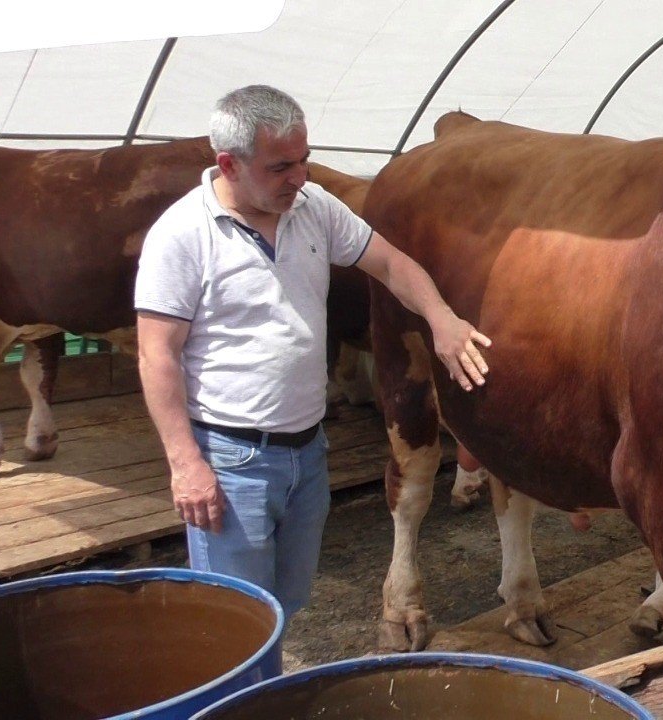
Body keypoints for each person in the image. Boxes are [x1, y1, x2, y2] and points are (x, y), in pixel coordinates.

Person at [135, 85, 490, 615]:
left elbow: (391, 264)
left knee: (289, 605)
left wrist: (441, 317)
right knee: (236, 620)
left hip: (307, 452)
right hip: (233, 460)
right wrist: (186, 464)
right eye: (281, 167)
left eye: (304, 160)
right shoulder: (182, 235)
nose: (299, 177)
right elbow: (156, 354)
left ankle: (271, 694)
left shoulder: (313, 207)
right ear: (229, 164)